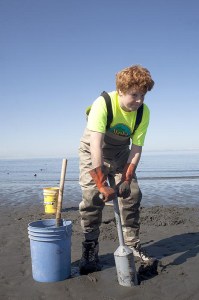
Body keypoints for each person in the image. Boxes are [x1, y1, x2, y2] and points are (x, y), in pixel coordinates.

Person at [78, 64, 156, 275]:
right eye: (134, 95)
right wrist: (102, 184)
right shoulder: (103, 103)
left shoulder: (143, 113)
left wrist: (127, 179)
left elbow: (137, 148)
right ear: (121, 90)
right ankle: (91, 247)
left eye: (143, 95)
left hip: (121, 153)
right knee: (92, 196)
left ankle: (132, 245)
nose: (139, 100)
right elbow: (95, 145)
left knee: (132, 194)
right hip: (94, 152)